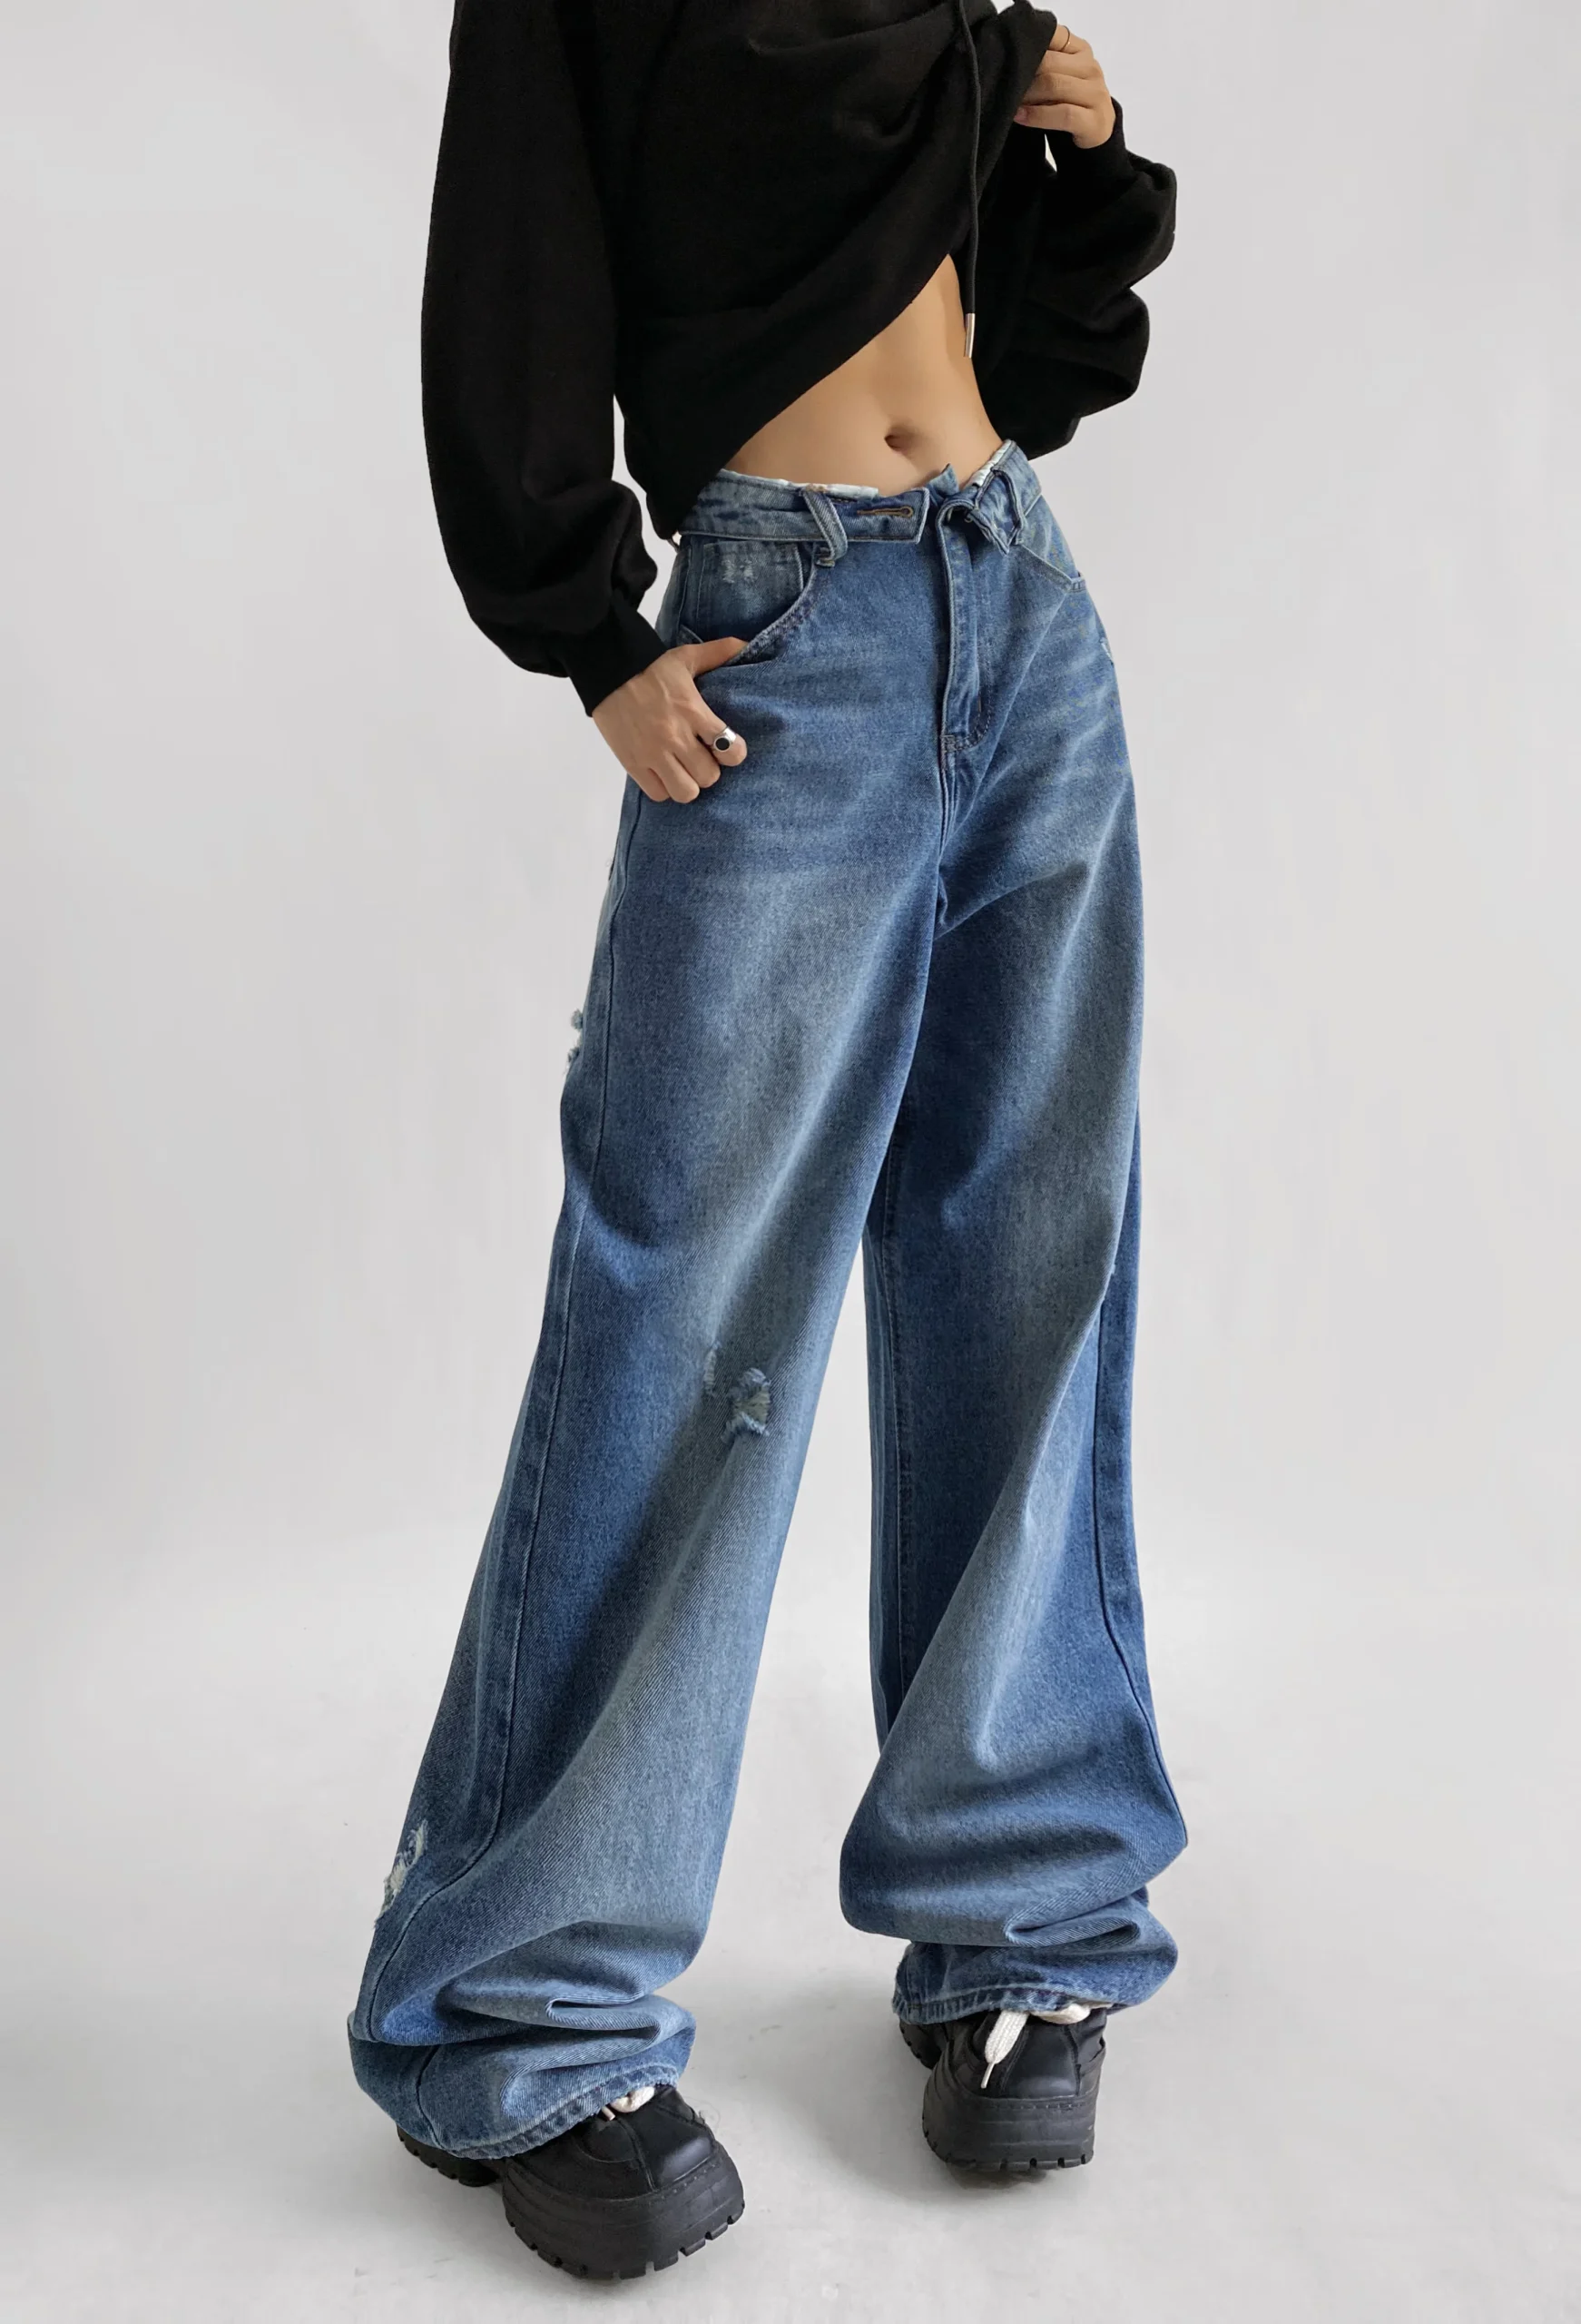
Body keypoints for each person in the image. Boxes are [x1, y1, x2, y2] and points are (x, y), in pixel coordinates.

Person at [349, 0, 1186, 2281]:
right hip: (776, 642)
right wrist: (589, 631)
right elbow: (511, 269)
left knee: (1029, 1265)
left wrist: (1078, 151)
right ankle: (517, 2009)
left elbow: (1035, 365)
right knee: (686, 1313)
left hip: (1018, 608)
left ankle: (1021, 1913)